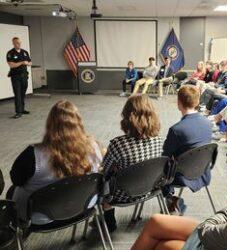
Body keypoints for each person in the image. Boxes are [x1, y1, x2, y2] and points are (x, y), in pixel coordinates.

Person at [9, 100, 103, 223]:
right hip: (83, 206)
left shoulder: (33, 155)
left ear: (50, 124)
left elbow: (17, 180)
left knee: (12, 191)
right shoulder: (94, 146)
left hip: (40, 216)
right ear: (79, 123)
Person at [101, 94, 163, 232]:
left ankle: (109, 222)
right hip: (148, 188)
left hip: (122, 194)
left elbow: (104, 172)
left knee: (101, 186)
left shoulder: (118, 144)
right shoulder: (159, 140)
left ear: (127, 116)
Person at [162, 85, 212, 213]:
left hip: (183, 175)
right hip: (203, 171)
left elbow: (165, 157)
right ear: (197, 101)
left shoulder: (177, 129)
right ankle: (172, 201)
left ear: (179, 104)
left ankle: (170, 198)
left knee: (160, 169)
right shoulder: (208, 123)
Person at [6, 37, 32, 119]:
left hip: (24, 76)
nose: (18, 44)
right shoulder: (10, 53)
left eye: (19, 43)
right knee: (17, 94)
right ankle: (18, 112)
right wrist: (22, 62)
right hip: (15, 77)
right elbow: (11, 65)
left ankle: (22, 109)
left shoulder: (24, 52)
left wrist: (27, 63)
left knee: (23, 93)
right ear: (13, 43)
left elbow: (30, 62)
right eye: (16, 43)